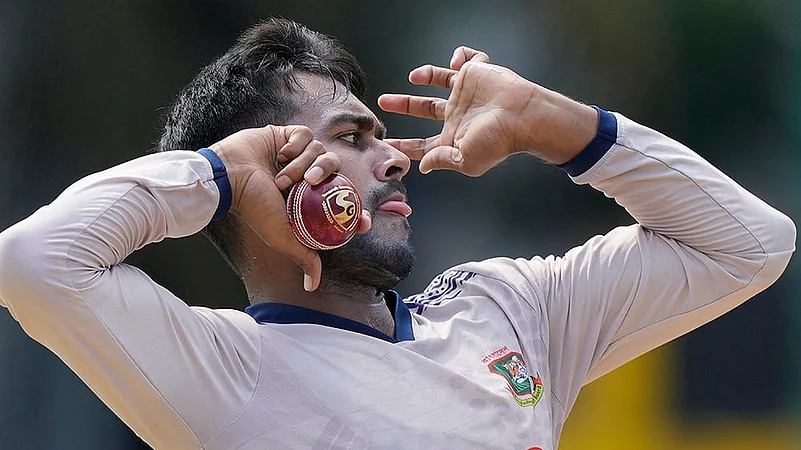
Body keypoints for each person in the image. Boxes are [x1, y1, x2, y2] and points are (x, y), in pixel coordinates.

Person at [0, 17, 795, 450]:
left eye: (382, 135)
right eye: (347, 138)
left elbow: (748, 245)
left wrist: (557, 126)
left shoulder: (511, 309)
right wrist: (213, 174)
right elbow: (32, 262)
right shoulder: (219, 365)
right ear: (263, 180)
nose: (392, 158)